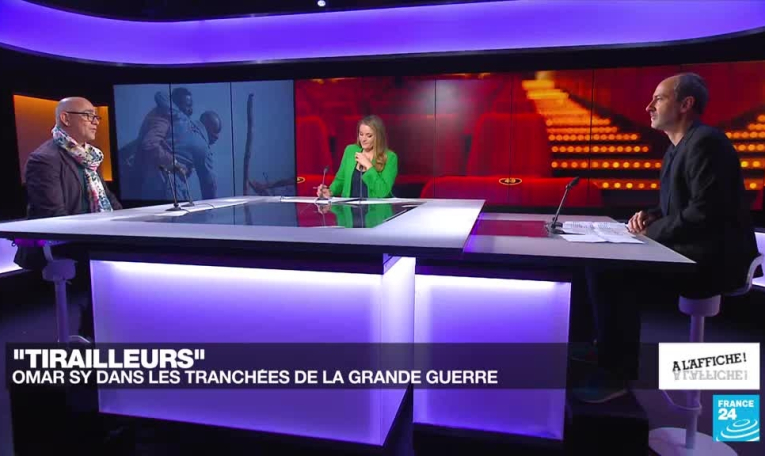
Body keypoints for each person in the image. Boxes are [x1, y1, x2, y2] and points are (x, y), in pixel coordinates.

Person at [575, 73, 760, 403]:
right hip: (692, 247)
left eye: (658, 99)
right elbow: (680, 206)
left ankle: (616, 373)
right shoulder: (677, 148)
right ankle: (602, 347)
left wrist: (651, 232)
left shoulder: (707, 142)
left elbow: (706, 211)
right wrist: (651, 215)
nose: (648, 106)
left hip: (715, 260)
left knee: (614, 273)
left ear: (686, 104)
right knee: (598, 263)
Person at [15, 96, 122, 338]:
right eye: (88, 115)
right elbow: (54, 216)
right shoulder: (45, 159)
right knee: (115, 259)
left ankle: (107, 329)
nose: (95, 121)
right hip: (59, 242)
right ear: (65, 118)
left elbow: (109, 200)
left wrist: (128, 224)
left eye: (96, 116)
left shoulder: (89, 158)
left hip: (90, 236)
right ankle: (93, 334)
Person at [317, 115, 398, 199]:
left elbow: (382, 192)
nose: (363, 139)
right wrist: (330, 191)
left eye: (369, 135)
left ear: (378, 137)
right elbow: (340, 180)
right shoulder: (350, 151)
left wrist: (369, 166)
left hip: (375, 207)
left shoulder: (390, 157)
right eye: (361, 134)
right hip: (349, 206)